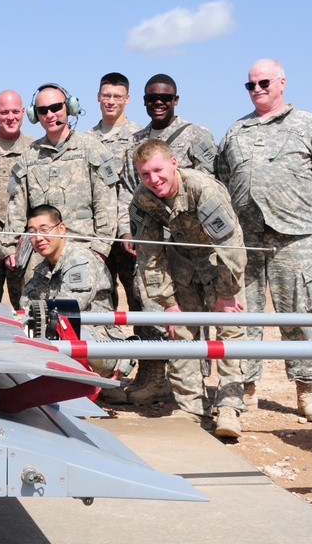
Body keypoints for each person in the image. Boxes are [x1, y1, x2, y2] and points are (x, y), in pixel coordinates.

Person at [217, 59, 312, 423]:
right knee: (245, 317)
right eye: (251, 85)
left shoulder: (307, 124)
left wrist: (306, 211)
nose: (257, 89)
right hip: (249, 239)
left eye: (264, 82)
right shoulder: (236, 131)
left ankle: (307, 391)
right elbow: (224, 179)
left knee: (299, 315)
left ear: (282, 82)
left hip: (294, 238)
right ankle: (246, 388)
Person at [122, 139, 247, 438]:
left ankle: (229, 407)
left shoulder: (204, 189)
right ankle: (190, 408)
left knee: (229, 333)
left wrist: (227, 294)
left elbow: (231, 245)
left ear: (174, 163)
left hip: (221, 266)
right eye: (145, 174)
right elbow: (149, 253)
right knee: (181, 333)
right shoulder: (143, 199)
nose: (154, 180)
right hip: (183, 268)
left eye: (158, 170)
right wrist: (167, 301)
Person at [115, 73, 219, 406]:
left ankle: (193, 387)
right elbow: (126, 191)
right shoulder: (136, 142)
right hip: (153, 240)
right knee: (152, 304)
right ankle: (156, 378)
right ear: (143, 101)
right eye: (151, 99)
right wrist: (126, 227)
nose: (158, 103)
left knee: (190, 313)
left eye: (165, 98)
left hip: (191, 245)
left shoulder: (196, 135)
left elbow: (213, 183)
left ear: (175, 99)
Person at [2, 83, 118, 271]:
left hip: (84, 252)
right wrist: (9, 246)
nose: (50, 115)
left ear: (69, 108)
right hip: (39, 260)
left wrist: (100, 250)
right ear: (35, 115)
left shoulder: (92, 149)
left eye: (56, 107)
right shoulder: (29, 155)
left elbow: (106, 204)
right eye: (42, 110)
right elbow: (16, 206)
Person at [20, 205, 117, 377]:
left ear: (61, 229)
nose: (38, 238)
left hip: (97, 342)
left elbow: (68, 308)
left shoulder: (79, 259)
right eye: (32, 232)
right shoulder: (43, 268)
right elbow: (26, 305)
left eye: (44, 230)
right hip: (65, 336)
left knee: (51, 328)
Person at [87, 72, 143, 311]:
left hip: (129, 231)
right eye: (106, 96)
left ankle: (144, 346)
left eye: (117, 96)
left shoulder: (140, 137)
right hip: (97, 231)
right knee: (100, 296)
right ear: (98, 97)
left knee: (139, 295)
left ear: (127, 99)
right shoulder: (87, 139)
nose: (111, 101)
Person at [0, 90, 34, 304]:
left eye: (14, 112)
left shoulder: (35, 148)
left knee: (25, 305)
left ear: (22, 112)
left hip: (22, 242)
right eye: (4, 112)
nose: (10, 117)